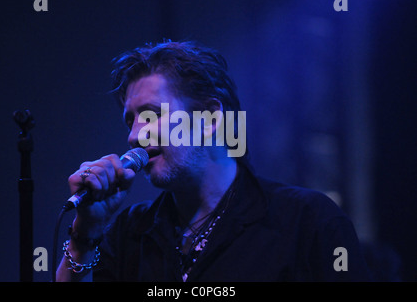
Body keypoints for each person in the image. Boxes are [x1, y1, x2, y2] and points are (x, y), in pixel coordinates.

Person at [56, 40, 371, 281]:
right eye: (130, 121)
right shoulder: (128, 233)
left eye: (151, 115)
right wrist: (86, 233)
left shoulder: (306, 221)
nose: (135, 135)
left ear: (209, 119)